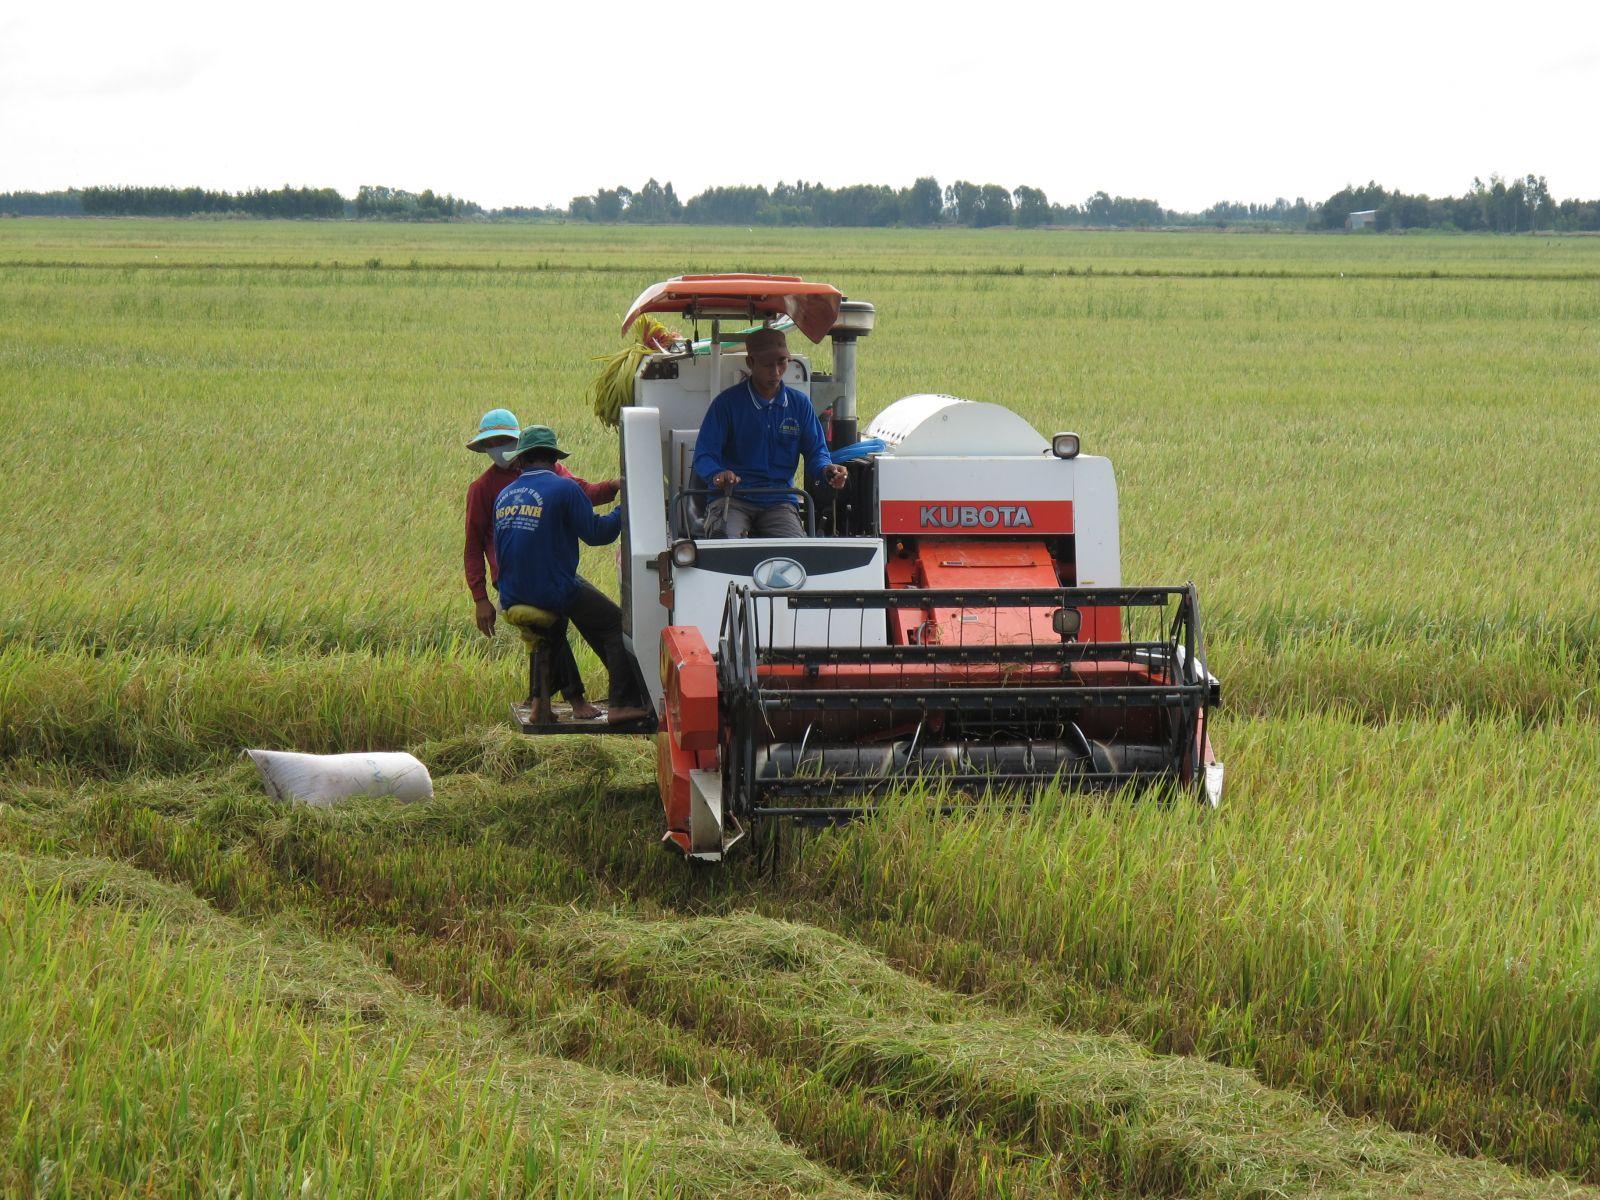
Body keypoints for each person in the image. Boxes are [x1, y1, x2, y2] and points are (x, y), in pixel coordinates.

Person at [464, 408, 619, 720]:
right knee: (576, 620)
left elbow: (584, 493)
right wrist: (480, 598)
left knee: (553, 626)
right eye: (491, 443)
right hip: (511, 574)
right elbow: (472, 545)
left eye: (504, 441)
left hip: (542, 570)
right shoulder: (483, 489)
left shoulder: (552, 475)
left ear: (519, 448)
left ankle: (541, 704)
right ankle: (583, 700)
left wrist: (616, 485)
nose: (499, 449)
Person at [493, 425, 649, 725]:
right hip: (549, 588)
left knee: (550, 633)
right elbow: (598, 534)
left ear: (521, 460)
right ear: (553, 459)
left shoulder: (504, 494)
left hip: (510, 594)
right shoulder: (565, 488)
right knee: (615, 626)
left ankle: (541, 707)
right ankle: (622, 704)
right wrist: (625, 509)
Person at [692, 326, 847, 538]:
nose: (775, 372)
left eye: (781, 363)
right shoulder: (726, 405)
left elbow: (816, 453)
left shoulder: (800, 405)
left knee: (797, 555)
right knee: (725, 548)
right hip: (733, 498)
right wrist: (718, 474)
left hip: (780, 500)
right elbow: (704, 455)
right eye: (767, 365)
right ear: (750, 363)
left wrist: (827, 469)